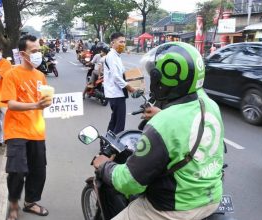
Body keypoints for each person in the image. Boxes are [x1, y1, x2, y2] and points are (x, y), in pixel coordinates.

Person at [93, 42, 225, 220]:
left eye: (153, 76)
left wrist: (104, 166)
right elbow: (186, 120)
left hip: (175, 208)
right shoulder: (209, 104)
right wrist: (163, 114)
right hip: (212, 198)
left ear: (164, 79)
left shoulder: (162, 124)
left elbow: (130, 183)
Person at [1, 35, 52, 220]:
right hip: (16, 129)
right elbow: (11, 104)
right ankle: (13, 204)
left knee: (38, 170)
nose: (38, 54)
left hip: (37, 130)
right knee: (17, 170)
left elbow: (45, 102)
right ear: (23, 53)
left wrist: (56, 108)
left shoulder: (40, 76)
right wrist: (35, 106)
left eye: (39, 50)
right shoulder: (12, 74)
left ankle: (30, 202)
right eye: (34, 51)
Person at [104, 32, 136, 134]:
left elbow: (121, 74)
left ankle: (106, 144)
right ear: (113, 43)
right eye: (120, 41)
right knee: (119, 122)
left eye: (124, 42)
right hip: (115, 94)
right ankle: (115, 146)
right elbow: (116, 76)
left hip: (117, 93)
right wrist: (129, 87)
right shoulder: (112, 56)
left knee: (115, 120)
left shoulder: (116, 56)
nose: (123, 44)